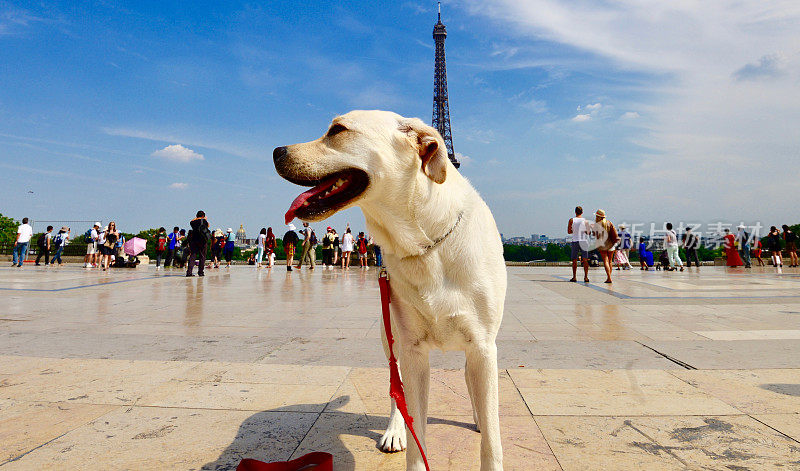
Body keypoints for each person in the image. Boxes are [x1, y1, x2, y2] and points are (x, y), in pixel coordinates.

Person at [592, 209, 618, 283]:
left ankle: (609, 277)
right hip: (611, 245)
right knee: (610, 261)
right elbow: (615, 234)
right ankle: (609, 277)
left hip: (602, 245)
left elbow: (594, 235)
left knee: (605, 261)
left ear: (598, 216)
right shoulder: (609, 223)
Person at [567, 206, 590, 282]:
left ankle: (574, 277)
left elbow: (569, 232)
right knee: (585, 259)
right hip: (583, 240)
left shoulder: (571, 220)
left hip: (575, 240)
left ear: (575, 212)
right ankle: (586, 277)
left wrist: (574, 230)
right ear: (582, 212)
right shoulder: (585, 221)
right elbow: (588, 232)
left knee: (574, 260)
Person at [186, 211, 210, 277]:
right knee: (202, 256)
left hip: (194, 240)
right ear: (203, 215)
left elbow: (191, 221)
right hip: (203, 241)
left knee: (193, 256)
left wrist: (196, 218)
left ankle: (189, 272)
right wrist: (204, 219)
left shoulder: (193, 222)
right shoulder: (204, 221)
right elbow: (208, 226)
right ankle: (201, 272)